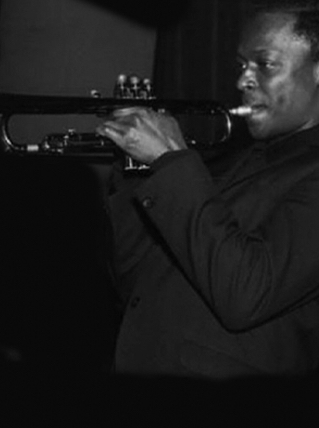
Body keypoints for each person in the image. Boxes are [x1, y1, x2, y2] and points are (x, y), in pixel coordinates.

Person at [94, 0, 319, 391]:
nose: (242, 81)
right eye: (241, 66)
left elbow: (246, 294)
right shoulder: (240, 161)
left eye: (264, 64)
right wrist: (136, 171)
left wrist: (171, 159)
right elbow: (138, 282)